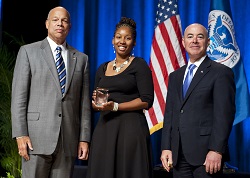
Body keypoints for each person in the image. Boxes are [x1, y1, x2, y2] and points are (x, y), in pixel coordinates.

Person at [11, 6, 91, 178]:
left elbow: (84, 104)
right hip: (35, 139)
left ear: (69, 26)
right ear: (47, 24)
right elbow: (19, 98)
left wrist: (84, 138)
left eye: (64, 21)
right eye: (55, 20)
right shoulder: (28, 52)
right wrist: (20, 134)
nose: (59, 24)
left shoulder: (81, 59)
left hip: (68, 140)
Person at [160, 23, 236, 178]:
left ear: (208, 42)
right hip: (178, 155)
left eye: (200, 37)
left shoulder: (221, 73)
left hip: (206, 156)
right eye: (190, 36)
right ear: (183, 42)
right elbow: (170, 114)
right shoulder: (175, 76)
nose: (194, 40)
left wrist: (216, 150)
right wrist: (166, 147)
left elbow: (224, 115)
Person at [86, 17, 154, 178]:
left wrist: (116, 106)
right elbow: (94, 103)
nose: (122, 41)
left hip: (130, 130)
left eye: (128, 38)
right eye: (118, 37)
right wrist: (96, 104)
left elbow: (146, 100)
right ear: (113, 40)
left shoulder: (139, 65)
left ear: (134, 43)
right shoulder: (102, 68)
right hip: (105, 131)